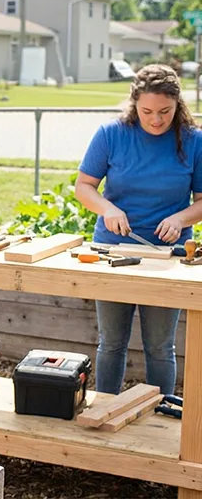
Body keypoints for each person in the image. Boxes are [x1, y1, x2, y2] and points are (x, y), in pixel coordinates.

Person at [75, 64, 202, 395]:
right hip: (114, 251)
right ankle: (104, 407)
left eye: (165, 111)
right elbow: (84, 186)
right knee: (111, 342)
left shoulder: (194, 141)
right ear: (134, 105)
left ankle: (161, 411)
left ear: (178, 105)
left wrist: (180, 219)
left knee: (160, 346)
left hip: (168, 256)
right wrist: (108, 208)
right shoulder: (111, 134)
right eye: (147, 111)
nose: (156, 120)